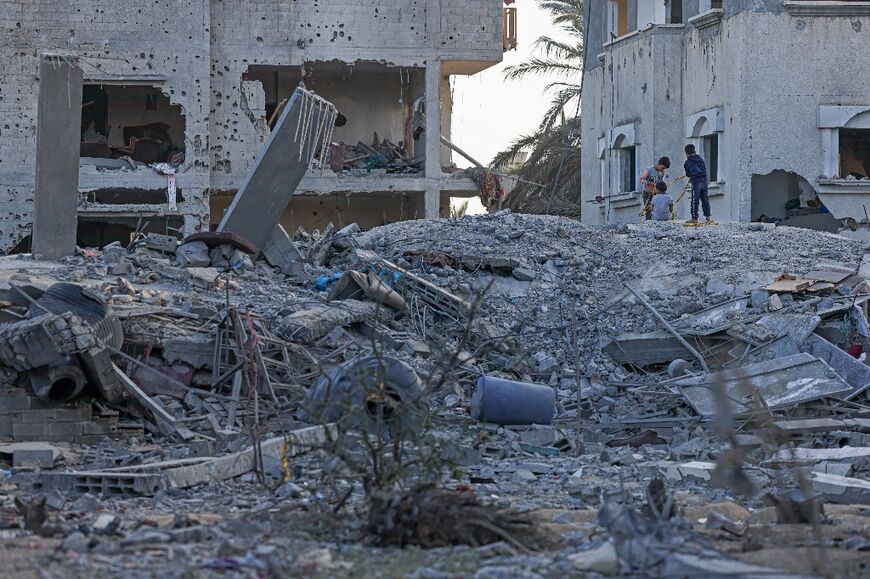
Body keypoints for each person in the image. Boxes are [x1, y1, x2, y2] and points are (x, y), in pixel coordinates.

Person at [684, 144, 712, 225]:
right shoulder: (701, 160)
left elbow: (688, 174)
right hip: (704, 181)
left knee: (694, 200)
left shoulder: (687, 162)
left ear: (686, 153)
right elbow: (705, 170)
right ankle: (708, 217)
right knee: (705, 199)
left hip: (696, 182)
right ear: (695, 151)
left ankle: (694, 218)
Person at [639, 156, 671, 220]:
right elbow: (641, 180)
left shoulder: (661, 172)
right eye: (662, 168)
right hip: (647, 193)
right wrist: (649, 184)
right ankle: (649, 223)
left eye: (664, 169)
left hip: (657, 194)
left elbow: (661, 182)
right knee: (648, 209)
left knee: (658, 208)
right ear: (659, 164)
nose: (662, 170)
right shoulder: (649, 169)